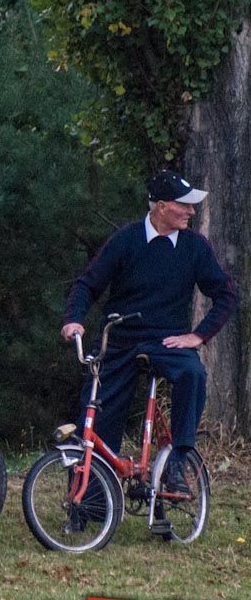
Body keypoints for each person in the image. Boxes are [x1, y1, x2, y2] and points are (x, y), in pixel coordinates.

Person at [61, 169, 237, 495]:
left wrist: (198, 336)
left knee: (193, 374)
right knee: (97, 414)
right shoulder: (125, 240)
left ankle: (177, 462)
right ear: (161, 206)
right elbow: (87, 284)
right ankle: (91, 503)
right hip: (119, 340)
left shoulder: (194, 247)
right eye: (184, 205)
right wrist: (74, 319)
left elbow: (226, 295)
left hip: (166, 340)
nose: (191, 211)